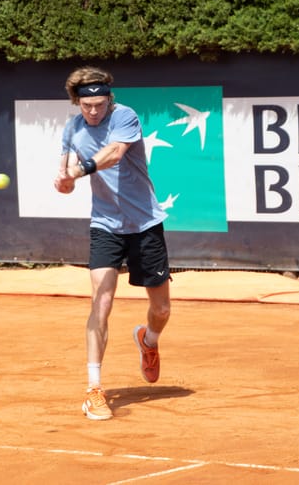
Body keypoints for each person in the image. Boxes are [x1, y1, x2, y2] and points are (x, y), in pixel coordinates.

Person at [53, 66, 172, 421]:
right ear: (78, 103)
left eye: (100, 104)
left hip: (145, 224)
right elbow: (67, 175)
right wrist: (65, 181)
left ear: (109, 100)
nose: (94, 111)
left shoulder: (125, 117)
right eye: (88, 106)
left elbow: (115, 154)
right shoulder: (72, 129)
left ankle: (147, 341)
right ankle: (94, 389)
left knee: (162, 310)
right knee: (101, 303)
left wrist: (80, 169)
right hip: (105, 225)